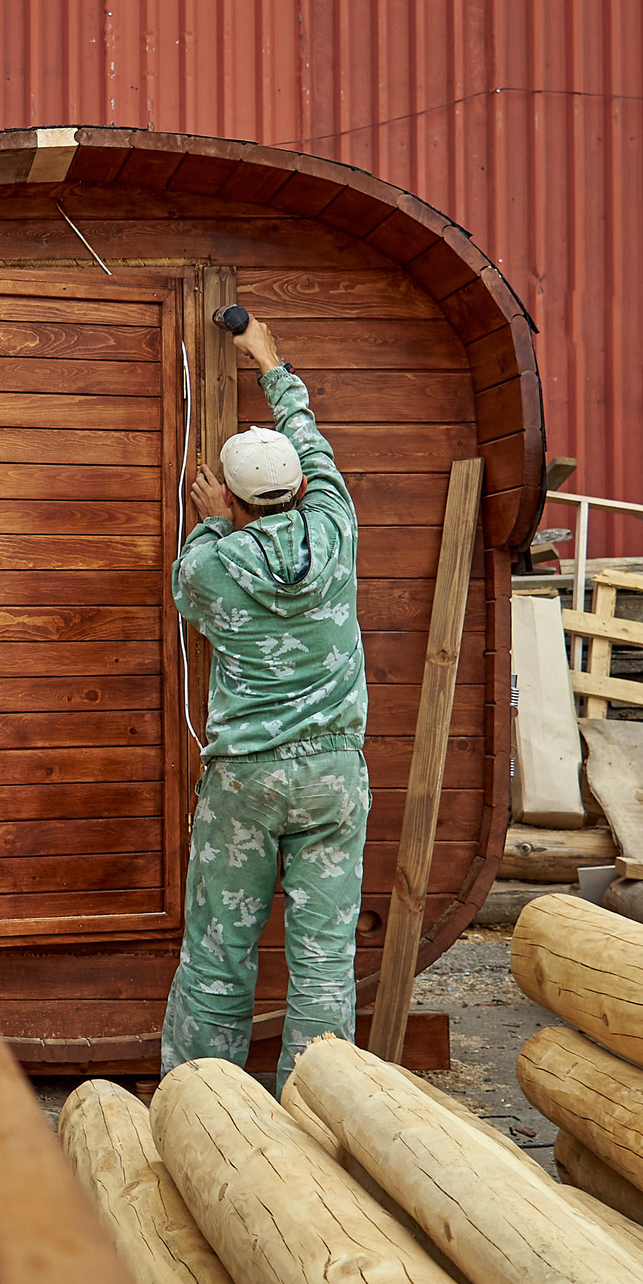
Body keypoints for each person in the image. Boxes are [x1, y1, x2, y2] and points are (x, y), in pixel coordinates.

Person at [161, 315, 369, 1095]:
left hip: (245, 781)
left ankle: (202, 1105)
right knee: (324, 962)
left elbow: (187, 582)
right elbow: (311, 445)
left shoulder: (212, 565)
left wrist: (212, 525)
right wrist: (270, 362)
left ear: (232, 499)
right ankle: (320, 1112)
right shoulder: (337, 528)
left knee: (219, 953)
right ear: (303, 490)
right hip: (333, 777)